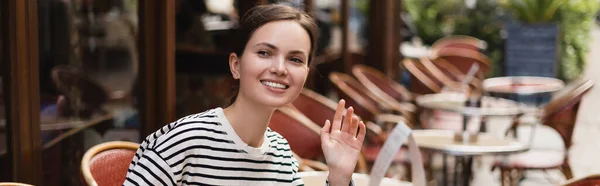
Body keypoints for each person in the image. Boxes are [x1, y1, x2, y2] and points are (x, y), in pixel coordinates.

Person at [124, 4, 366, 186]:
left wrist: (339, 176)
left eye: (295, 59)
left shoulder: (282, 154)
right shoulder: (186, 141)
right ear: (236, 65)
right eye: (264, 53)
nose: (280, 68)